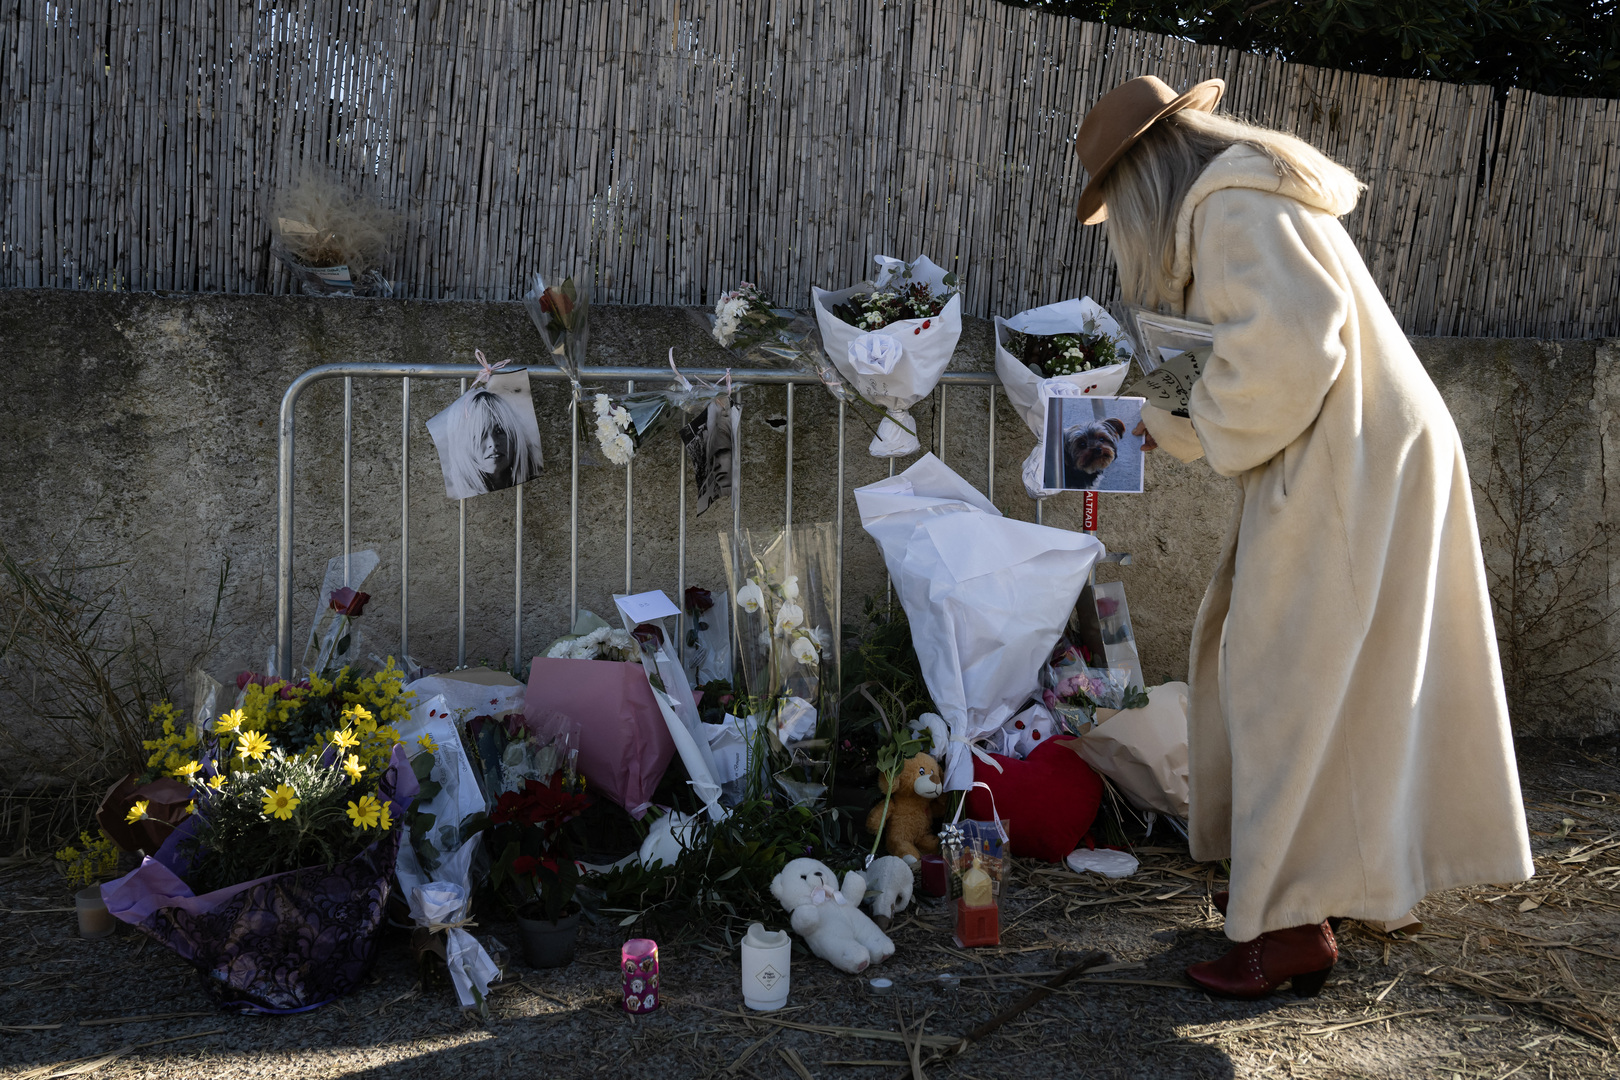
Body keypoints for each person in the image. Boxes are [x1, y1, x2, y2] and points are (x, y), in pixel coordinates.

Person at [1071, 76, 1533, 999]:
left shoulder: (1234, 207)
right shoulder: (1251, 196)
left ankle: (1283, 928)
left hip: (1345, 464)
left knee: (1280, 680)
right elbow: (1285, 346)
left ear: (1147, 175)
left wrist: (1178, 427)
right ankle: (1349, 884)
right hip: (1368, 450)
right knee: (1350, 684)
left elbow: (1288, 350)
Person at [437, 386, 538, 498]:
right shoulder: (454, 495)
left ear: (514, 435)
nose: (493, 443)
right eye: (481, 433)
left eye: (499, 431)